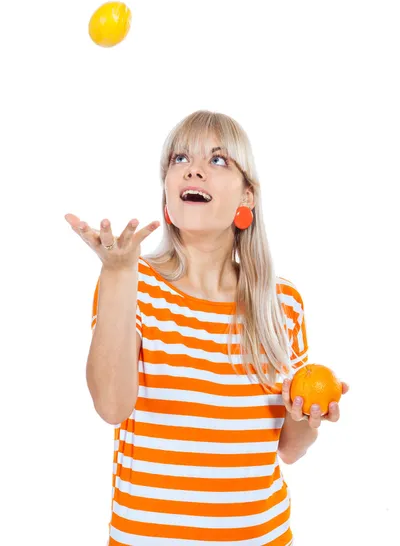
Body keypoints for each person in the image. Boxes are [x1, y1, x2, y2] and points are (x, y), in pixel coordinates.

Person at [65, 110, 349, 546]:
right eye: (180, 158)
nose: (193, 168)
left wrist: (307, 418)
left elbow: (290, 448)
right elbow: (111, 406)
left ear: (247, 197)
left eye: (217, 160)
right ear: (167, 194)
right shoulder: (134, 285)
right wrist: (118, 275)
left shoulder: (282, 303)